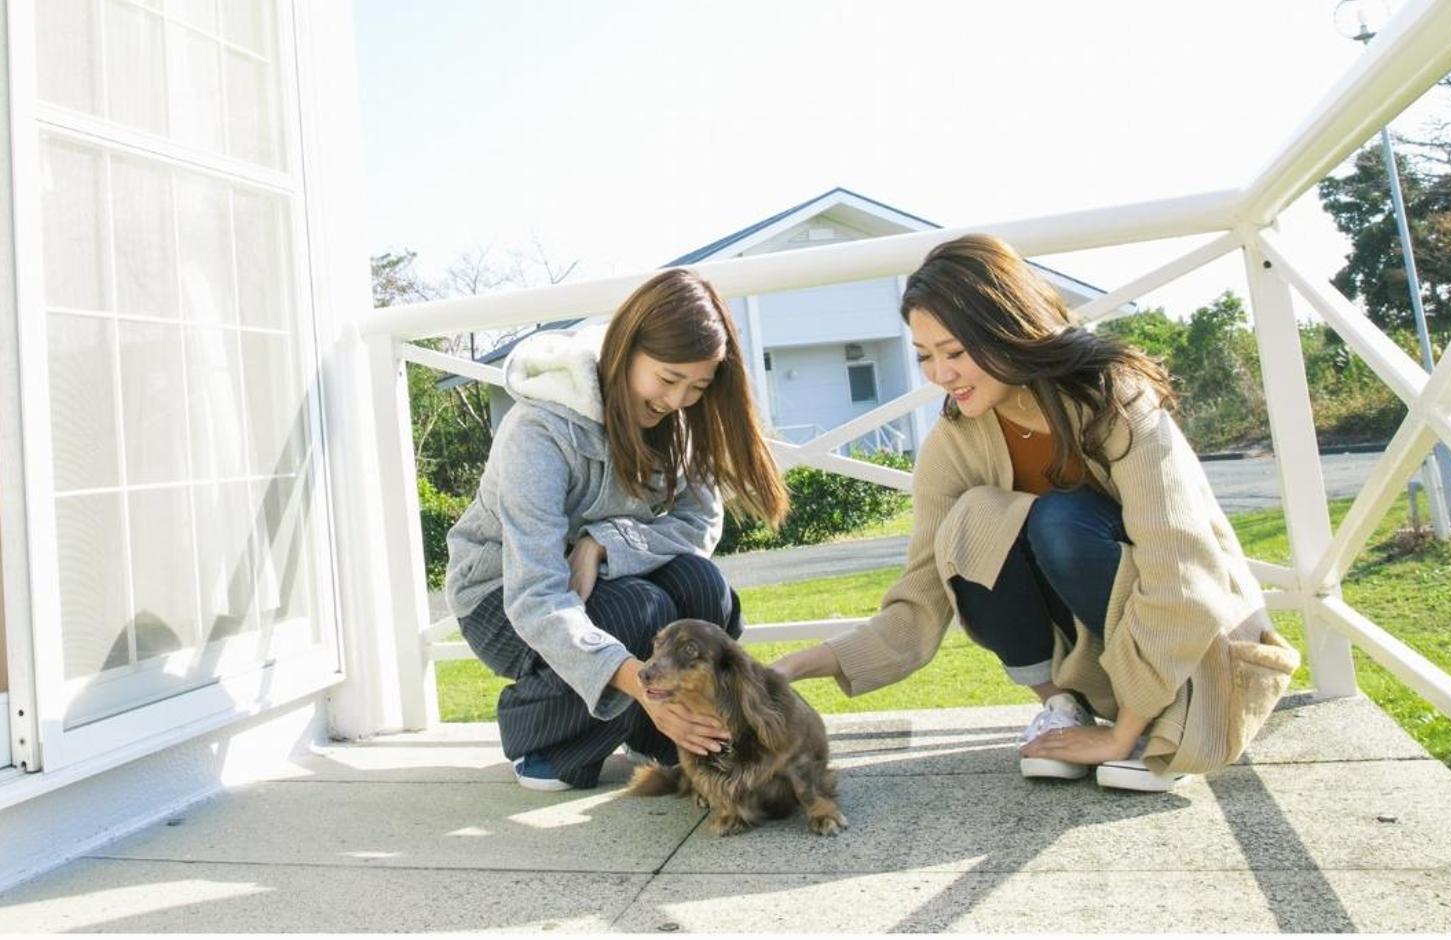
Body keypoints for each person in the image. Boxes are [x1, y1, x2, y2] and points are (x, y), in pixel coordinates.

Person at [770, 234, 1296, 791]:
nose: (940, 374)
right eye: (924, 356)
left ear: (1006, 329)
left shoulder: (1114, 400)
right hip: (1101, 663)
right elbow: (922, 596)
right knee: (973, 520)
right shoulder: (956, 439)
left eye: (955, 352)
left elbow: (1183, 566)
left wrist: (1122, 738)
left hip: (1196, 656)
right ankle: (1063, 708)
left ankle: (1153, 723)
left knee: (1061, 521)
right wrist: (790, 668)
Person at [445, 268, 791, 790]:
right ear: (625, 350)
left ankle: (663, 738)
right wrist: (645, 686)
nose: (677, 400)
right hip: (504, 596)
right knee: (638, 610)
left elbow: (700, 523)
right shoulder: (539, 431)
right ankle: (544, 737)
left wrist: (602, 545)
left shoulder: (677, 421)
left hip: (607, 584)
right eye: (668, 379)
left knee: (702, 585)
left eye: (697, 387)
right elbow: (536, 595)